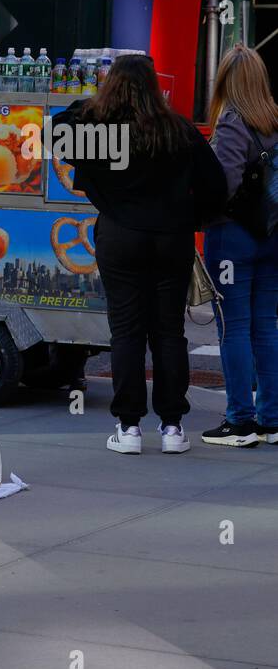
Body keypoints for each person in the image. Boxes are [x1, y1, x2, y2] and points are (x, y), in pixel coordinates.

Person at [55, 55, 226, 455]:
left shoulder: (101, 132)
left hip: (120, 235)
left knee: (127, 332)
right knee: (169, 331)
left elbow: (57, 133)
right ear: (154, 88)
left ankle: (129, 426)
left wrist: (87, 106)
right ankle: (172, 426)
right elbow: (216, 185)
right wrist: (190, 217)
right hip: (172, 237)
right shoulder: (177, 130)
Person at [201, 45, 278, 447]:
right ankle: (272, 419)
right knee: (266, 326)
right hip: (272, 235)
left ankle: (239, 421)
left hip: (232, 237)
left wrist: (196, 215)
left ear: (227, 81)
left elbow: (223, 184)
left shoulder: (233, 121)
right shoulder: (275, 118)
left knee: (234, 327)